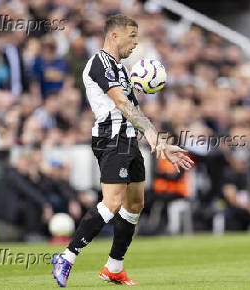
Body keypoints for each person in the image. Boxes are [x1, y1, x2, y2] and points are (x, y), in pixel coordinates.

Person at [52, 14, 195, 287]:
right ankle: (67, 256)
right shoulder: (99, 62)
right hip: (111, 139)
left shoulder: (120, 68)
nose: (136, 42)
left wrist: (161, 144)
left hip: (129, 140)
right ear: (114, 36)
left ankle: (114, 267)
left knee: (135, 204)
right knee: (112, 202)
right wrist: (152, 135)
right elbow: (121, 103)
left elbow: (135, 110)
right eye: (132, 36)